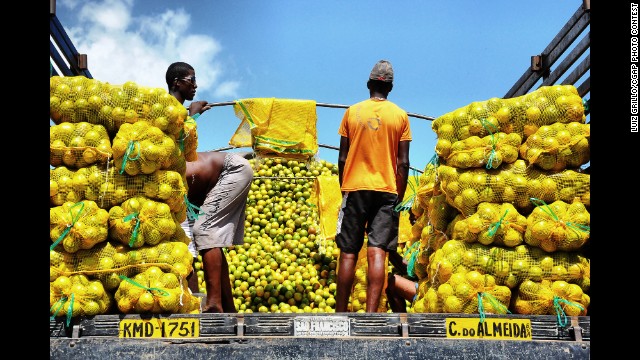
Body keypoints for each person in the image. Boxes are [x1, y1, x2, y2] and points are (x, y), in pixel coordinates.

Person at [166, 62, 254, 312]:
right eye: (191, 80)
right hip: (198, 192)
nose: (195, 85)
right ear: (177, 82)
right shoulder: (170, 111)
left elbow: (180, 144)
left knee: (206, 231)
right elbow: (188, 259)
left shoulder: (177, 113)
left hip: (231, 171)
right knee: (192, 244)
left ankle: (214, 304)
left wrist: (192, 115)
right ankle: (220, 304)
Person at [334, 60, 412, 312]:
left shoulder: (352, 112)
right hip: (387, 190)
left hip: (355, 188)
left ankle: (340, 312)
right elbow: (403, 163)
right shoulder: (400, 116)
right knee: (377, 253)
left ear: (369, 85)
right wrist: (397, 196)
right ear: (390, 88)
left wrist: (344, 187)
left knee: (348, 253)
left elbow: (342, 158)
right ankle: (371, 314)